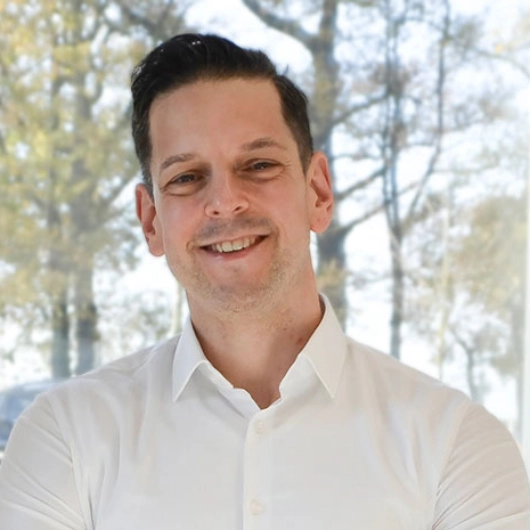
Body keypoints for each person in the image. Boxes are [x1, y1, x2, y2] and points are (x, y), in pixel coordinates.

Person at [0, 33, 529, 530]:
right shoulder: (64, 439)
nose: (225, 201)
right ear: (151, 221)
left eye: (257, 165)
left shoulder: (456, 445)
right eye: (186, 177)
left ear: (318, 192)